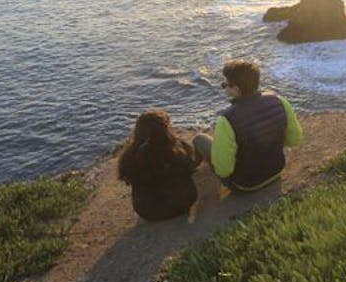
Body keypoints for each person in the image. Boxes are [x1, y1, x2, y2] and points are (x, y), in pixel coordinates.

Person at [194, 59, 302, 192]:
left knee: (199, 139)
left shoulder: (226, 119)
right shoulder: (279, 101)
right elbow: (295, 139)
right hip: (276, 171)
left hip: (246, 185)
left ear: (236, 89)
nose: (223, 87)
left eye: (225, 84)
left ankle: (193, 170)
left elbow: (223, 171)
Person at [117, 109, 198, 221]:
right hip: (184, 202)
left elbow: (126, 177)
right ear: (166, 130)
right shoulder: (180, 149)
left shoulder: (130, 156)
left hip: (149, 212)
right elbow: (190, 167)